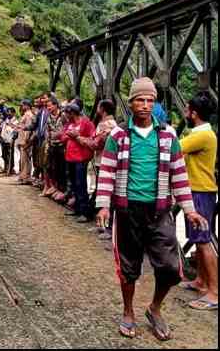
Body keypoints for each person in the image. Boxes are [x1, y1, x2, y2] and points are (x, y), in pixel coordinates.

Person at [95, 77, 211, 340]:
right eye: (140, 100)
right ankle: (128, 311)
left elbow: (179, 174)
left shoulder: (168, 135)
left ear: (154, 103)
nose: (145, 105)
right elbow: (107, 172)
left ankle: (154, 308)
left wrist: (189, 209)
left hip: (159, 211)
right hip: (127, 211)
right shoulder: (119, 135)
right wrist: (103, 205)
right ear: (131, 103)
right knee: (128, 267)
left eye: (150, 100)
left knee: (171, 268)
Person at [178, 92, 218, 311]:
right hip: (199, 190)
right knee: (199, 239)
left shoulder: (202, 135)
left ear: (193, 113)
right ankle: (201, 281)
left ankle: (214, 292)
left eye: (186, 109)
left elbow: (175, 146)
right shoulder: (203, 133)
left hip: (201, 191)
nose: (185, 112)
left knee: (203, 241)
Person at [81, 99, 117, 241]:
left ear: (103, 109)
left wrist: (80, 139)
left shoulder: (107, 125)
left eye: (99, 107)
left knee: (103, 192)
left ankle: (104, 225)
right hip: (101, 161)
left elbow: (97, 143)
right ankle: (101, 223)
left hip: (103, 161)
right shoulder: (110, 124)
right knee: (100, 191)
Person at [60, 103, 95, 222]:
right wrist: (68, 136)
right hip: (69, 158)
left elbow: (92, 140)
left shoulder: (86, 123)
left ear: (72, 113)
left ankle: (85, 212)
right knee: (74, 184)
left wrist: (77, 136)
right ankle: (77, 209)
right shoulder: (69, 124)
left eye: (67, 113)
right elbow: (63, 137)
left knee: (81, 184)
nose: (65, 115)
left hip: (81, 159)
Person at [16, 100, 36, 184]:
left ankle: (26, 177)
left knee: (25, 159)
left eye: (23, 105)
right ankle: (23, 176)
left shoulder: (28, 115)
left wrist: (26, 140)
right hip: (22, 140)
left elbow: (28, 129)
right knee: (23, 159)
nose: (21, 106)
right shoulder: (26, 114)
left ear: (27, 106)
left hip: (25, 140)